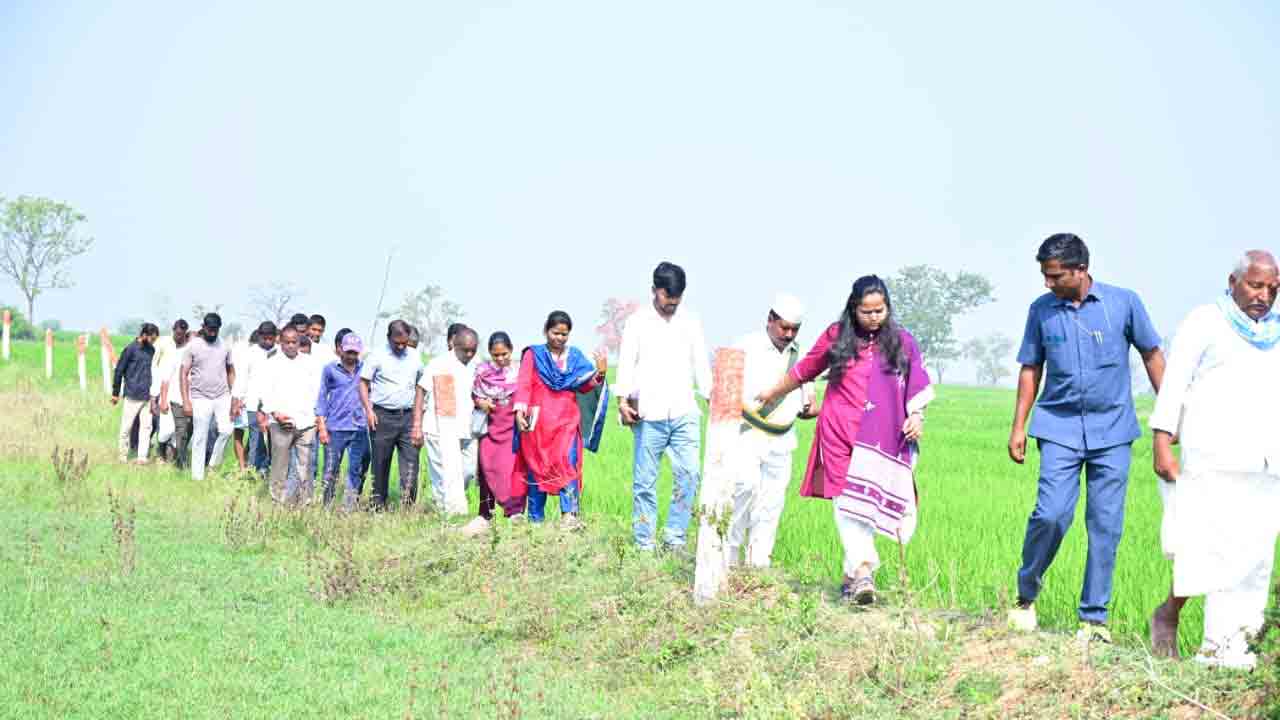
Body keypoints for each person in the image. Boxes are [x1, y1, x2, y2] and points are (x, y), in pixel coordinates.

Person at [1006, 233, 1165, 642]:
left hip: (1112, 430)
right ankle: (1026, 595)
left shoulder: (1123, 303)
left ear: (1080, 270)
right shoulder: (1041, 311)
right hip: (1057, 427)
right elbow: (1030, 368)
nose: (1047, 283)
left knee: (1105, 523)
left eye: (1054, 275)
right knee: (1052, 513)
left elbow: (1151, 354)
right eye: (1044, 275)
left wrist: (1169, 413)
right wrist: (1018, 426)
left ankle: (1094, 620)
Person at [756, 276, 933, 604]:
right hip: (838, 431)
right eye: (866, 312)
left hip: (882, 438)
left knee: (868, 504)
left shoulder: (903, 342)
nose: (874, 317)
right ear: (853, 309)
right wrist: (770, 393)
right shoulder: (836, 337)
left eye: (880, 310)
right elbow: (804, 370)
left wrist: (917, 416)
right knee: (847, 503)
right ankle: (864, 569)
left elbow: (916, 381)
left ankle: (851, 577)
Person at [1147, 251, 1280, 668]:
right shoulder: (1206, 320)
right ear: (1233, 280)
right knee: (1221, 553)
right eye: (1256, 285)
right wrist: (1162, 441)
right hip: (1215, 456)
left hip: (1267, 459)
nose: (1264, 296)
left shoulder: (1275, 331)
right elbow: (1175, 384)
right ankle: (1217, 648)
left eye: (1272, 289)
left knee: (1257, 558)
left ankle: (1241, 644)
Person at [615, 261, 712, 552]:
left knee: (690, 475)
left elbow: (700, 364)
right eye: (667, 297)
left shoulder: (690, 322)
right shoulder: (637, 322)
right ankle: (644, 542)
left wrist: (710, 396)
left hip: (684, 410)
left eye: (677, 298)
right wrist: (622, 400)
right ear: (654, 291)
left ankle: (675, 537)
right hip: (649, 413)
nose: (671, 304)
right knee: (645, 482)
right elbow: (627, 362)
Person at [727, 294, 817, 568]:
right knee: (742, 493)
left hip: (783, 440)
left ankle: (758, 565)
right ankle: (727, 560)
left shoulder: (801, 356)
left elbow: (808, 406)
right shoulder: (744, 347)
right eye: (784, 327)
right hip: (747, 436)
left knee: (771, 503)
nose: (788, 334)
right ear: (770, 320)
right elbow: (721, 393)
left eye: (794, 329)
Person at [512, 311, 608, 526]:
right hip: (538, 424)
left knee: (569, 463)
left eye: (565, 334)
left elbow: (584, 385)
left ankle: (569, 516)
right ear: (546, 331)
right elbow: (524, 383)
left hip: (566, 422)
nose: (560, 338)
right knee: (537, 468)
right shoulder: (533, 355)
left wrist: (600, 374)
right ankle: (535, 521)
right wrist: (519, 411)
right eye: (556, 333)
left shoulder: (574, 357)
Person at [460, 332, 524, 535]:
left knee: (510, 470)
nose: (501, 359)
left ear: (511, 350)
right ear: (490, 353)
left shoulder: (519, 373)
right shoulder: (482, 372)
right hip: (490, 428)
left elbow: (526, 396)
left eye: (504, 354)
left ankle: (515, 513)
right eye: (496, 355)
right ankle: (485, 514)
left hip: (511, 429)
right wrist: (481, 402)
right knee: (487, 468)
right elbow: (473, 395)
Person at [414, 325, 480, 515]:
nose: (469, 354)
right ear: (454, 345)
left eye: (472, 350)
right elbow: (420, 391)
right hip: (439, 428)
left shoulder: (476, 366)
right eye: (465, 350)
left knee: (468, 471)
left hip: (467, 428)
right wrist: (416, 425)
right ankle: (449, 514)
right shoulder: (439, 364)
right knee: (445, 474)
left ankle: (446, 505)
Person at [359, 320, 424, 510]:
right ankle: (377, 506)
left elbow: (421, 386)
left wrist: (419, 419)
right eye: (397, 343)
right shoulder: (377, 355)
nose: (402, 346)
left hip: (408, 418)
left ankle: (407, 507)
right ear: (389, 338)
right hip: (382, 416)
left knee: (411, 463)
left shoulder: (415, 356)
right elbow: (363, 383)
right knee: (380, 463)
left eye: (405, 342)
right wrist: (368, 411)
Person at [256, 326, 323, 504]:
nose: (291, 346)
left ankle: (304, 502)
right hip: (280, 422)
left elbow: (317, 391)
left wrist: (317, 416)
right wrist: (275, 414)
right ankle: (277, 501)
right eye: (287, 342)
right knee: (280, 465)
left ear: (299, 342)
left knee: (305, 465)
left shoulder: (310, 363)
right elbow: (265, 392)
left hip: (306, 422)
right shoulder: (271, 363)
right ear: (281, 342)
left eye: (295, 342)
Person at [316, 330, 370, 510]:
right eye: (348, 352)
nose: (351, 356)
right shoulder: (330, 370)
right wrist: (322, 427)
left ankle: (349, 507)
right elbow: (322, 398)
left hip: (359, 428)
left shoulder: (365, 370)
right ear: (340, 350)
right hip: (335, 428)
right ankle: (326, 506)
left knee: (355, 469)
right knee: (331, 469)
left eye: (355, 352)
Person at [181, 313, 239, 480]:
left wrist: (234, 397)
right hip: (200, 397)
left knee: (227, 430)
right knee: (200, 436)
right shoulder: (193, 346)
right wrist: (186, 401)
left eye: (215, 330)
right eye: (210, 329)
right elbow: (183, 373)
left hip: (222, 396)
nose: (212, 333)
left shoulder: (225, 346)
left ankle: (213, 464)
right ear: (203, 327)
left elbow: (230, 371)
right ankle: (197, 477)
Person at [234, 321, 278, 474]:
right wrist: (237, 401)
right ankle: (253, 472)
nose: (267, 342)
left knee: (275, 441)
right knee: (256, 441)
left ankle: (268, 469)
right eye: (264, 338)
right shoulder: (249, 353)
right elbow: (242, 379)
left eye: (271, 339)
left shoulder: (280, 353)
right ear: (259, 336)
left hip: (275, 406)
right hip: (252, 404)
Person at [112, 323, 159, 464]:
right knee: (126, 427)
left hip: (147, 396)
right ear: (144, 335)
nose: (153, 342)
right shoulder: (130, 349)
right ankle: (122, 457)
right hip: (132, 395)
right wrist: (115, 393)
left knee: (146, 428)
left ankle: (142, 458)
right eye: (152, 339)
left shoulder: (152, 350)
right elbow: (119, 370)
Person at [151, 320, 190, 465]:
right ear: (173, 330)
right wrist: (160, 399)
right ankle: (160, 450)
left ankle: (174, 460)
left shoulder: (187, 351)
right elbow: (162, 376)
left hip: (183, 399)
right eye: (178, 333)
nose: (179, 336)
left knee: (179, 433)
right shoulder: (167, 346)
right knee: (166, 431)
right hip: (167, 395)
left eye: (183, 334)